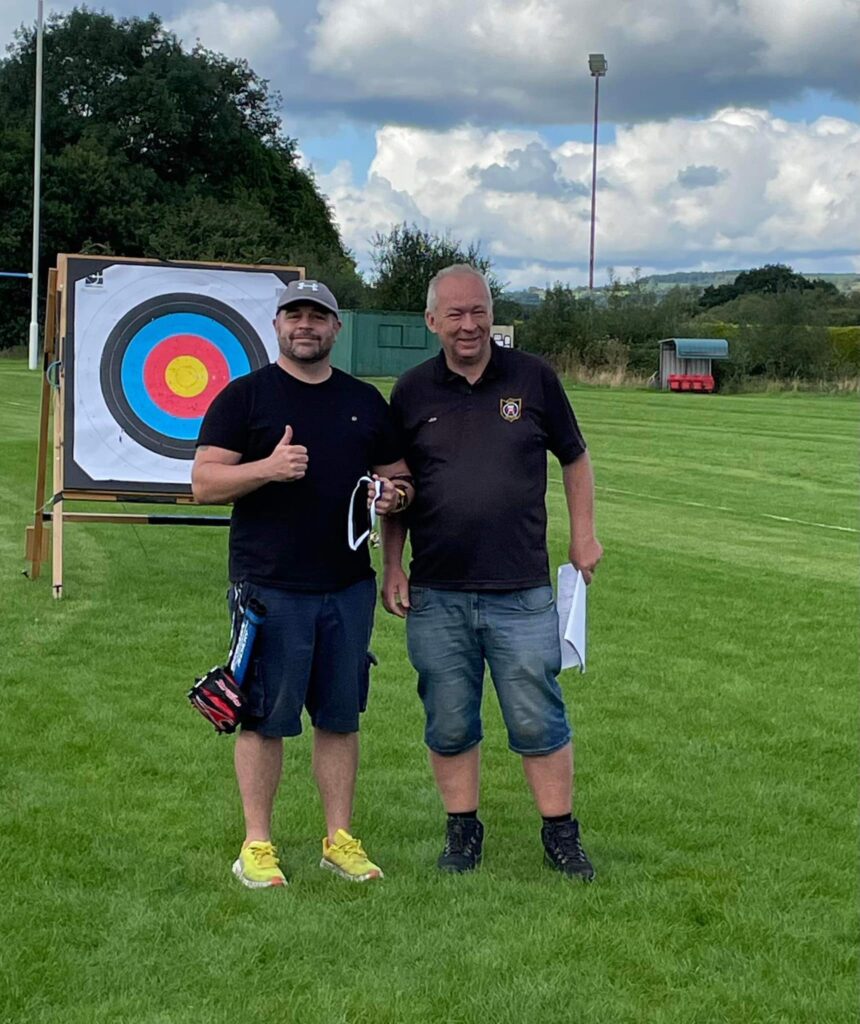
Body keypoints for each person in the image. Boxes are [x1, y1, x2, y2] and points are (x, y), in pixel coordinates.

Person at [382, 264, 602, 880]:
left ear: (491, 313)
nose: (469, 324)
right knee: (449, 718)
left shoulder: (533, 377)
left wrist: (583, 536)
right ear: (432, 322)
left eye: (478, 310)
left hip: (523, 589)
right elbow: (397, 486)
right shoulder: (410, 391)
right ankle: (462, 832)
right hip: (437, 590)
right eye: (454, 314)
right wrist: (393, 564)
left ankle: (560, 834)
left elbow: (576, 458)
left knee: (539, 714)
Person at [193, 279, 413, 888]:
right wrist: (268, 467)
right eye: (296, 315)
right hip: (269, 586)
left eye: (319, 316)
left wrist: (395, 493)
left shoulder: (365, 401)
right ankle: (256, 846)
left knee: (341, 717)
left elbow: (399, 480)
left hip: (347, 585)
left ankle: (338, 839)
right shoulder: (246, 397)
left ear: (336, 328)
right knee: (264, 715)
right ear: (278, 324)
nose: (306, 325)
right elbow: (205, 483)